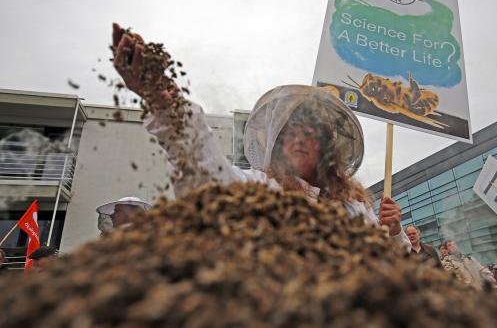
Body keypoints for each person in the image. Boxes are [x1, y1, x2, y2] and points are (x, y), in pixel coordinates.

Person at [110, 24, 411, 249]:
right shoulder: (258, 189)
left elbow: (388, 261)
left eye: (310, 132)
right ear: (278, 145)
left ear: (326, 149)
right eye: (290, 132)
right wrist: (167, 104)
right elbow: (205, 180)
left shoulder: (355, 207)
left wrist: (394, 231)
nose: (299, 139)